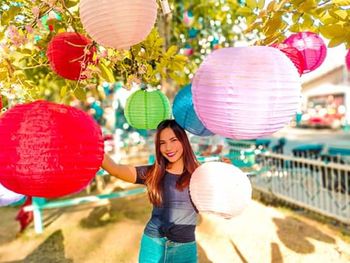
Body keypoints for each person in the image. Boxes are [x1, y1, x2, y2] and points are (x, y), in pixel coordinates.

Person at [102, 119, 199, 263]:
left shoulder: (199, 173)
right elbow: (115, 169)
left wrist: (228, 171)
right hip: (153, 244)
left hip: (184, 249)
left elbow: (225, 194)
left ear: (183, 141)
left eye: (173, 140)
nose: (168, 148)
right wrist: (92, 148)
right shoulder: (153, 173)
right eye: (162, 143)